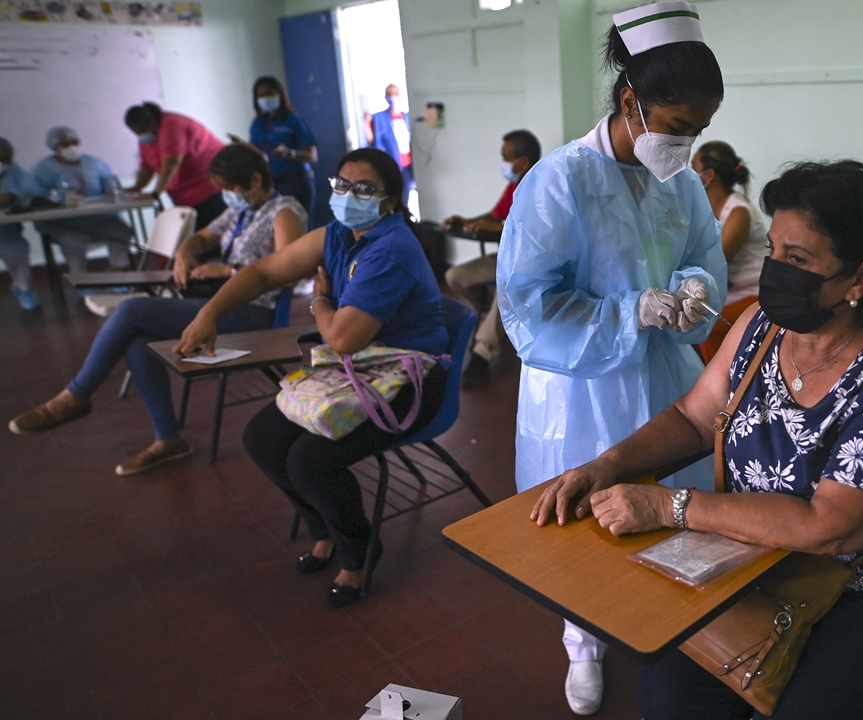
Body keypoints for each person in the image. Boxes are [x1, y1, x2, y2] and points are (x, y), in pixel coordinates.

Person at [532, 160, 863, 720]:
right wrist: (607, 465)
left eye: (798, 259)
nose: (774, 271)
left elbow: (826, 527)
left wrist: (668, 505)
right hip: (754, 563)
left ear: (861, 278)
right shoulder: (763, 327)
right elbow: (693, 418)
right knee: (668, 700)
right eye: (775, 251)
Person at [495, 2, 726, 714]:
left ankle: (677, 632)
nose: (685, 146)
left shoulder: (680, 182)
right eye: (677, 126)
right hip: (579, 386)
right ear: (631, 101)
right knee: (586, 518)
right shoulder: (560, 180)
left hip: (663, 377)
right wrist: (630, 310)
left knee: (668, 507)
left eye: (699, 132)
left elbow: (704, 257)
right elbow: (528, 307)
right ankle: (582, 645)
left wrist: (692, 289)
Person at [175, 148, 446, 610]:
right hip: (357, 373)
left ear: (389, 200)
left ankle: (358, 551)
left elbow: (341, 337)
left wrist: (320, 299)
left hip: (408, 381)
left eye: (363, 188)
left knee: (310, 462)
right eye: (341, 184)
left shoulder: (392, 250)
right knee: (261, 437)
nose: (348, 195)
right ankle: (323, 528)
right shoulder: (339, 235)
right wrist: (209, 312)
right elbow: (263, 272)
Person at [9, 144, 306, 473]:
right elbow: (202, 238)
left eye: (228, 187)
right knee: (140, 344)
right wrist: (184, 251)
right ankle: (169, 440)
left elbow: (289, 274)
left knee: (131, 310)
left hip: (254, 314)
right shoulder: (243, 209)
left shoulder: (283, 213)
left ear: (254, 178)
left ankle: (75, 396)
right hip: (219, 306)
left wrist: (226, 271)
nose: (225, 194)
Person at [443, 129, 541, 386]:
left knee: (505, 290)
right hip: (506, 258)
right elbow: (495, 217)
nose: (504, 164)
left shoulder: (541, 183)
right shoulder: (513, 185)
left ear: (524, 161)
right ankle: (494, 315)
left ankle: (481, 355)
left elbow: (536, 230)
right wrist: (466, 222)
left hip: (531, 264)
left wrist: (497, 228)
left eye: (507, 157)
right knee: (455, 276)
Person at [692, 141, 768, 362]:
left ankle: (721, 388)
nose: (688, 172)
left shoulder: (738, 212)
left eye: (693, 166)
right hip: (727, 294)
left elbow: (714, 263)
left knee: (707, 328)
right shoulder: (705, 209)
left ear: (709, 175)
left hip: (752, 294)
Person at [31, 126, 134, 281]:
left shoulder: (94, 162)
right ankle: (82, 281)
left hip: (102, 219)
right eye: (65, 145)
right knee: (73, 242)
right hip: (68, 223)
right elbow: (36, 196)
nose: (71, 148)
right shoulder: (44, 168)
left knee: (121, 232)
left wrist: (111, 190)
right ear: (55, 148)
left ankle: (116, 274)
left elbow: (109, 181)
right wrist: (60, 198)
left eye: (74, 143)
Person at [125, 102, 227, 229]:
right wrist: (136, 188)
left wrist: (156, 194)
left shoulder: (171, 125)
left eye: (141, 132)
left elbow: (171, 163)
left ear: (152, 124)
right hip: (186, 200)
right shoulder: (146, 139)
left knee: (216, 238)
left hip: (211, 190)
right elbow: (147, 167)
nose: (141, 136)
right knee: (197, 240)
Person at [245, 76, 318, 223]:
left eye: (269, 94)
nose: (265, 98)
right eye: (261, 95)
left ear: (280, 95)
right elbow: (255, 149)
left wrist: (289, 153)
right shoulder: (258, 123)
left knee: (299, 227)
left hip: (295, 182)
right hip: (269, 185)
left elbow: (312, 156)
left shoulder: (294, 120)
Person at [0, 137, 44, 310]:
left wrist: (13, 196)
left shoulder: (14, 171)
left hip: (4, 229)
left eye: (3, 159)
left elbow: (32, 188)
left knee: (18, 253)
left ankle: (23, 290)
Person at [364, 84, 415, 209]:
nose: (393, 97)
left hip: (407, 165)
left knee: (405, 196)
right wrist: (366, 123)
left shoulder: (407, 117)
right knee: (391, 195)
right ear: (386, 97)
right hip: (391, 163)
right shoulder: (379, 118)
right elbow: (372, 140)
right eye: (390, 94)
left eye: (395, 94)